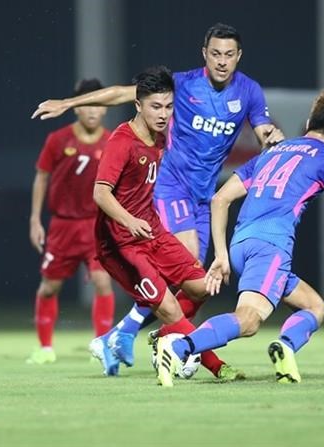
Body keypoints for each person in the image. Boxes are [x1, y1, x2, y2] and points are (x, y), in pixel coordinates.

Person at [32, 23, 283, 372]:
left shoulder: (250, 92)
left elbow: (263, 131)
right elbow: (122, 93)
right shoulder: (182, 84)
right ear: (204, 54)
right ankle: (190, 351)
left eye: (229, 54)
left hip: (203, 196)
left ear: (239, 56)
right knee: (187, 264)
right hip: (170, 186)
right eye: (215, 53)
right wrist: (69, 102)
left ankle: (127, 335)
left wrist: (273, 139)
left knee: (199, 286)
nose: (222, 61)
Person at [154, 91, 324, 386]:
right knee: (249, 319)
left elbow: (220, 199)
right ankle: (179, 348)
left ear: (309, 121)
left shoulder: (271, 152)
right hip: (270, 247)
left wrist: (221, 256)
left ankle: (285, 347)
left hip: (240, 244)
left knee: (313, 306)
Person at [88, 65, 239, 384]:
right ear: (138, 104)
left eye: (168, 106)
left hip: (152, 231)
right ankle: (216, 365)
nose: (163, 113)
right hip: (121, 243)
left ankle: (134, 338)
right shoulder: (122, 141)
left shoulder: (160, 136)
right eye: (156, 106)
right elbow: (100, 193)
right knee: (169, 307)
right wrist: (129, 221)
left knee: (203, 285)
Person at [27, 79, 115, 365]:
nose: (92, 111)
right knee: (49, 287)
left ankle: (101, 346)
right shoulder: (58, 139)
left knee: (103, 282)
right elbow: (41, 176)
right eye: (86, 104)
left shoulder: (112, 141)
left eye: (98, 104)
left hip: (95, 225)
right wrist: (34, 220)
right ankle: (45, 348)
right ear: (76, 108)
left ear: (104, 110)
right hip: (62, 226)